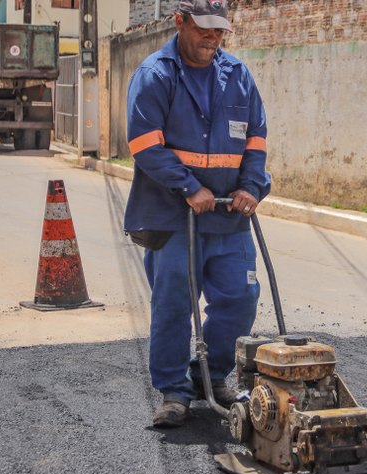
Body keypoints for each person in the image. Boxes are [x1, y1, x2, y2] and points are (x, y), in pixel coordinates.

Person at [124, 0, 270, 428]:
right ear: (180, 22)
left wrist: (251, 187)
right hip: (174, 217)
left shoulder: (239, 76)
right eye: (203, 28)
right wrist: (189, 188)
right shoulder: (155, 75)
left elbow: (256, 141)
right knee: (173, 303)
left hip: (228, 217)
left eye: (219, 31)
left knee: (240, 299)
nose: (212, 38)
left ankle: (210, 374)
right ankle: (173, 390)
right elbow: (145, 145)